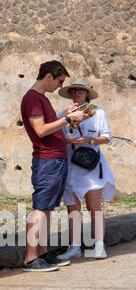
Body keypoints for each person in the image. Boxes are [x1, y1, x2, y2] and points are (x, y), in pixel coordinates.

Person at [20, 60, 86, 271]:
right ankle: (31, 258)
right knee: (41, 208)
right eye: (59, 81)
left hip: (54, 160)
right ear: (48, 76)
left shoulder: (41, 99)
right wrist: (67, 118)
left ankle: (43, 254)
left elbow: (49, 130)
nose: (59, 86)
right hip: (47, 161)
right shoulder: (33, 99)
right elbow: (40, 130)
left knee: (47, 209)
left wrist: (65, 138)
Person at [56, 77, 114, 260]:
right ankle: (74, 246)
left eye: (81, 90)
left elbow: (106, 137)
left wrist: (89, 140)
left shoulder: (98, 113)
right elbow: (56, 135)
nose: (77, 93)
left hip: (90, 165)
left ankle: (99, 245)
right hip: (71, 164)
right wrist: (67, 140)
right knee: (72, 208)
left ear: (87, 93)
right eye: (74, 90)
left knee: (94, 207)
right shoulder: (63, 114)